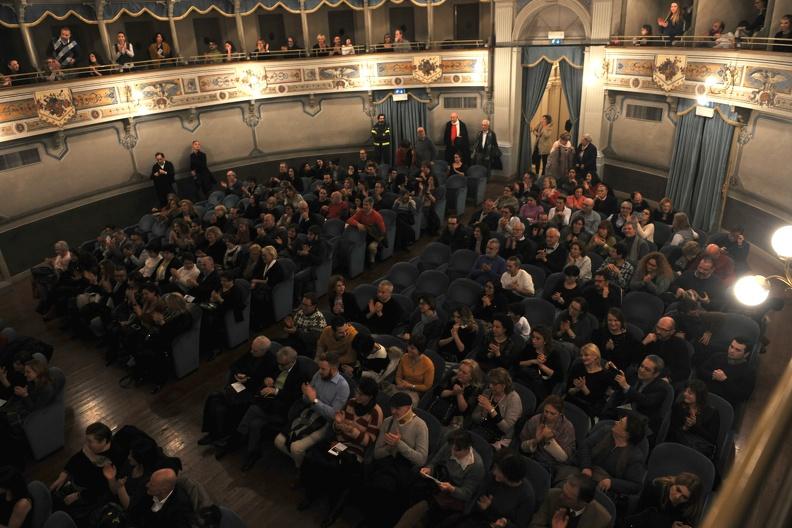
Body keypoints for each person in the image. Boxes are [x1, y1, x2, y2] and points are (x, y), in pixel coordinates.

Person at [297, 376, 383, 525]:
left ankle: (333, 511)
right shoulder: (351, 403)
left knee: (339, 470)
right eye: (357, 391)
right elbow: (337, 425)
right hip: (341, 444)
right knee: (315, 455)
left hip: (355, 451)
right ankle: (311, 493)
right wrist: (338, 425)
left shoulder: (376, 413)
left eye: (361, 394)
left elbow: (368, 441)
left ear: (370, 396)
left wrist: (351, 430)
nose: (357, 396)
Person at [358, 392, 429, 528]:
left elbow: (421, 459)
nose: (394, 411)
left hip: (403, 466)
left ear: (408, 407)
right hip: (386, 463)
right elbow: (377, 453)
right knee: (377, 484)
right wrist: (390, 448)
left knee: (386, 488)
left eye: (398, 408)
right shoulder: (388, 421)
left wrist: (399, 444)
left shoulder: (420, 426)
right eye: (392, 408)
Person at [394, 429, 486, 528]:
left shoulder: (476, 466)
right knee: (412, 487)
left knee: (419, 511)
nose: (452, 451)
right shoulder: (449, 446)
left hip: (453, 497)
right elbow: (434, 461)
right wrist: (429, 469)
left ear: (467, 448)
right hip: (438, 483)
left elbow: (467, 493)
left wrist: (451, 489)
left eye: (457, 450)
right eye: (452, 448)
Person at [274, 352, 350, 470]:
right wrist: (306, 394)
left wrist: (314, 400)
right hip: (309, 413)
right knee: (278, 441)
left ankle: (301, 468)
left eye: (323, 369)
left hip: (325, 422)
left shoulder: (343, 387)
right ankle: (303, 464)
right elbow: (306, 400)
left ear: (334, 369)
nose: (320, 371)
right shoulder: (318, 375)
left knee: (296, 448)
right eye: (320, 368)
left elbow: (334, 415)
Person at [198, 336, 272, 447]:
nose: (251, 352)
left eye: (254, 351)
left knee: (222, 405)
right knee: (213, 397)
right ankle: (213, 433)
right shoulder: (253, 352)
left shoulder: (271, 362)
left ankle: (219, 434)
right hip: (239, 386)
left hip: (251, 393)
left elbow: (262, 382)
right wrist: (238, 375)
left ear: (263, 351)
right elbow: (235, 365)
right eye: (251, 349)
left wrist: (248, 379)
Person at [50, 422, 125, 525]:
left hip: (90, 494)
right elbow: (78, 457)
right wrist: (64, 474)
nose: (86, 444)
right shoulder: (91, 448)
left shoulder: (114, 457)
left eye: (90, 441)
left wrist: (78, 495)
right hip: (76, 483)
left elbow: (102, 487)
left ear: (103, 441)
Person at [604, 355, 668, 441]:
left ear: (656, 374)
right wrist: (613, 372)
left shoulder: (662, 388)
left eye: (647, 369)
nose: (641, 370)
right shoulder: (633, 374)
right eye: (642, 366)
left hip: (641, 421)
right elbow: (619, 390)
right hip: (625, 410)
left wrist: (626, 386)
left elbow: (646, 401)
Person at [530, 471, 611, 528]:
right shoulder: (552, 495)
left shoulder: (602, 520)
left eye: (567, 497)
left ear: (583, 503)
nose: (561, 496)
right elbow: (535, 525)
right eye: (563, 490)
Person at [520, 395, 576, 474]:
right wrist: (536, 441)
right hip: (531, 457)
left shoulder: (567, 428)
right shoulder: (536, 420)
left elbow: (563, 458)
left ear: (560, 414)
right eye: (546, 411)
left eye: (553, 413)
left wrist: (549, 440)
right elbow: (522, 446)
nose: (548, 416)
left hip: (551, 466)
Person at [625, 472, 703, 528]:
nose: (677, 496)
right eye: (678, 490)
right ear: (673, 483)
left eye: (684, 497)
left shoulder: (690, 506)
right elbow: (641, 516)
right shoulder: (655, 488)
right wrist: (669, 525)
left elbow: (685, 520)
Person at [470, 368, 523, 448]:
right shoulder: (487, 392)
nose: (490, 386)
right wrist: (482, 414)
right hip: (483, 429)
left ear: (504, 385)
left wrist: (490, 409)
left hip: (499, 437)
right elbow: (474, 417)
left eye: (494, 384)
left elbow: (506, 428)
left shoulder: (513, 399)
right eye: (490, 383)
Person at [696, 337, 756, 407]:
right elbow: (700, 371)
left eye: (737, 350)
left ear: (746, 354)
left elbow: (743, 396)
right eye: (731, 346)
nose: (732, 351)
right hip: (702, 394)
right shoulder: (718, 356)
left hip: (722, 403)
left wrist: (724, 380)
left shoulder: (749, 372)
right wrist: (713, 375)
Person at [425, 359, 484, 428]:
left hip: (454, 419)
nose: (459, 373)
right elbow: (438, 392)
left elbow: (464, 410)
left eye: (464, 373)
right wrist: (452, 392)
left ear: (472, 377)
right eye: (459, 370)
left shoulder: (476, 389)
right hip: (438, 409)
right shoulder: (452, 376)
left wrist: (459, 394)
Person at [668, 380, 719, 458]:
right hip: (679, 443)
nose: (685, 394)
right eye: (685, 391)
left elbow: (712, 439)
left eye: (690, 393)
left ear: (699, 396)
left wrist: (695, 425)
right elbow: (671, 430)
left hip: (699, 448)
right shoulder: (679, 407)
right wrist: (685, 427)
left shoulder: (712, 413)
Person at [566, 343, 619, 418]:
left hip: (587, 408)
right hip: (571, 401)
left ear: (595, 356)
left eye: (586, 355)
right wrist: (576, 389)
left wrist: (584, 388)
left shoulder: (604, 375)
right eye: (582, 355)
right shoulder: (578, 367)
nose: (583, 358)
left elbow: (595, 401)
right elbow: (568, 390)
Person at [130, 468, 194, 528]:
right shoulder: (151, 489)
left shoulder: (180, 512)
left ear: (163, 490)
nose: (147, 485)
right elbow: (135, 511)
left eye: (152, 485)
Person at [391, 336, 435, 405]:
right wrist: (400, 384)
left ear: (420, 350)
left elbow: (427, 386)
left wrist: (410, 386)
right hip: (402, 387)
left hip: (415, 391)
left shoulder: (428, 365)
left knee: (406, 403)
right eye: (408, 346)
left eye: (412, 348)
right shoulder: (404, 357)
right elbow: (398, 376)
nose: (408, 349)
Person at [346, 197, 386, 265]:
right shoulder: (361, 212)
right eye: (364, 204)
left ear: (371, 205)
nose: (364, 206)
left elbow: (383, 231)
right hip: (365, 234)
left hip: (376, 237)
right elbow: (349, 220)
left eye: (367, 205)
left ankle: (372, 260)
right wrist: (358, 224)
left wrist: (377, 240)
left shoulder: (377, 216)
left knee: (371, 247)